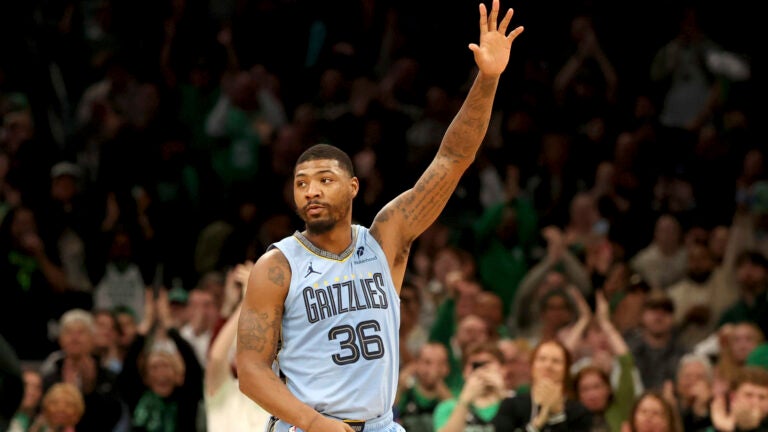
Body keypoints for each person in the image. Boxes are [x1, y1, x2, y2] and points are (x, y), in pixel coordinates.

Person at [235, 2, 525, 431]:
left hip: (380, 424)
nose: (311, 190)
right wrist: (316, 424)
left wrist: (487, 79)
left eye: (324, 179)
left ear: (353, 187)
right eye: (301, 182)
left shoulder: (385, 239)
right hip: (306, 427)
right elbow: (251, 371)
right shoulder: (277, 267)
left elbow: (452, 159)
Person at [491, 339, 592, 431]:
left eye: (556, 361)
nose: (548, 366)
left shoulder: (579, 412)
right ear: (532, 365)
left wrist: (557, 416)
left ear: (566, 369)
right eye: (542, 359)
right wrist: (538, 422)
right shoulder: (511, 406)